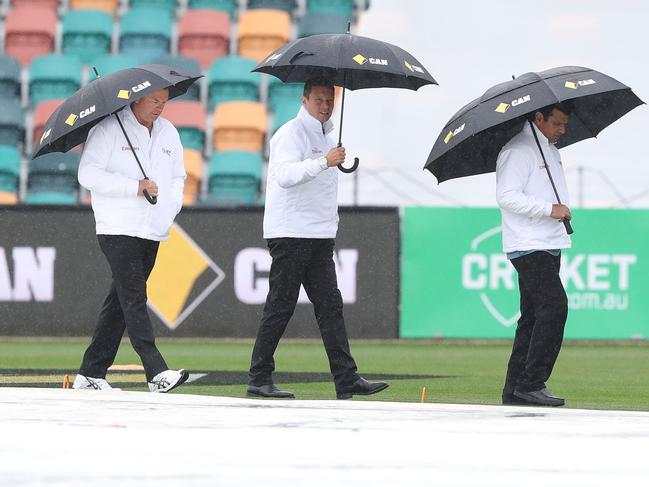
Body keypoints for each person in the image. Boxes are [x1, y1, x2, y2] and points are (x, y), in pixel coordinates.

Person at [247, 78, 389, 400]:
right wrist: (325, 161)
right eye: (319, 100)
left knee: (330, 307)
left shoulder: (327, 135)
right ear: (305, 99)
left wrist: (328, 162)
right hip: (291, 232)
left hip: (319, 233)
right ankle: (258, 377)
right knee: (281, 305)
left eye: (330, 100)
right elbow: (284, 176)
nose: (325, 106)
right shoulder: (290, 133)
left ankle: (346, 378)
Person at [73, 88, 189, 393]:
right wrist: (134, 187)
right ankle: (156, 371)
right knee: (134, 297)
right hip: (117, 226)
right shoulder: (109, 128)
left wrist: (169, 209)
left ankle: (90, 373)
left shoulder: (168, 132)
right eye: (154, 100)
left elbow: (178, 177)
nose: (160, 107)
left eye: (164, 101)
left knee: (120, 302)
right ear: (137, 98)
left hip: (152, 228)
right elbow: (87, 175)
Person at [496, 102, 573, 407]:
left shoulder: (549, 149)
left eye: (565, 124)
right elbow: (506, 196)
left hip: (547, 242)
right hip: (529, 244)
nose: (562, 130)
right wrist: (549, 209)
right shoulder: (518, 150)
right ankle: (532, 383)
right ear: (538, 117)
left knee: (531, 317)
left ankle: (515, 389)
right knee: (555, 307)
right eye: (557, 124)